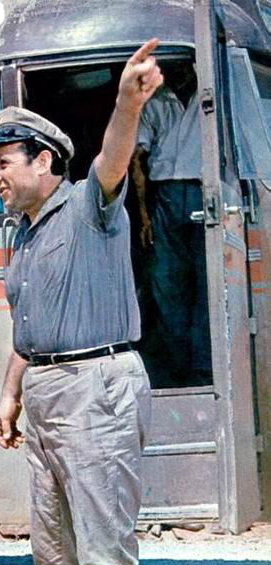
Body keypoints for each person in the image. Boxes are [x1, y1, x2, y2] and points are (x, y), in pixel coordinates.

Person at [0, 39, 162, 565]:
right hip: (44, 391)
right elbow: (29, 325)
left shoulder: (91, 205)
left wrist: (127, 103)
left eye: (4, 163)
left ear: (45, 162)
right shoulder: (20, 233)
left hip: (97, 387)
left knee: (104, 558)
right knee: (54, 556)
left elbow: (112, 158)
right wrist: (10, 395)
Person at [132, 64, 211, 387]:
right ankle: (181, 369)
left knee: (207, 280)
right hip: (164, 196)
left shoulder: (209, 93)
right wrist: (144, 216)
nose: (180, 72)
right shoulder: (155, 99)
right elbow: (136, 159)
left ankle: (204, 367)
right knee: (167, 282)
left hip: (204, 190)